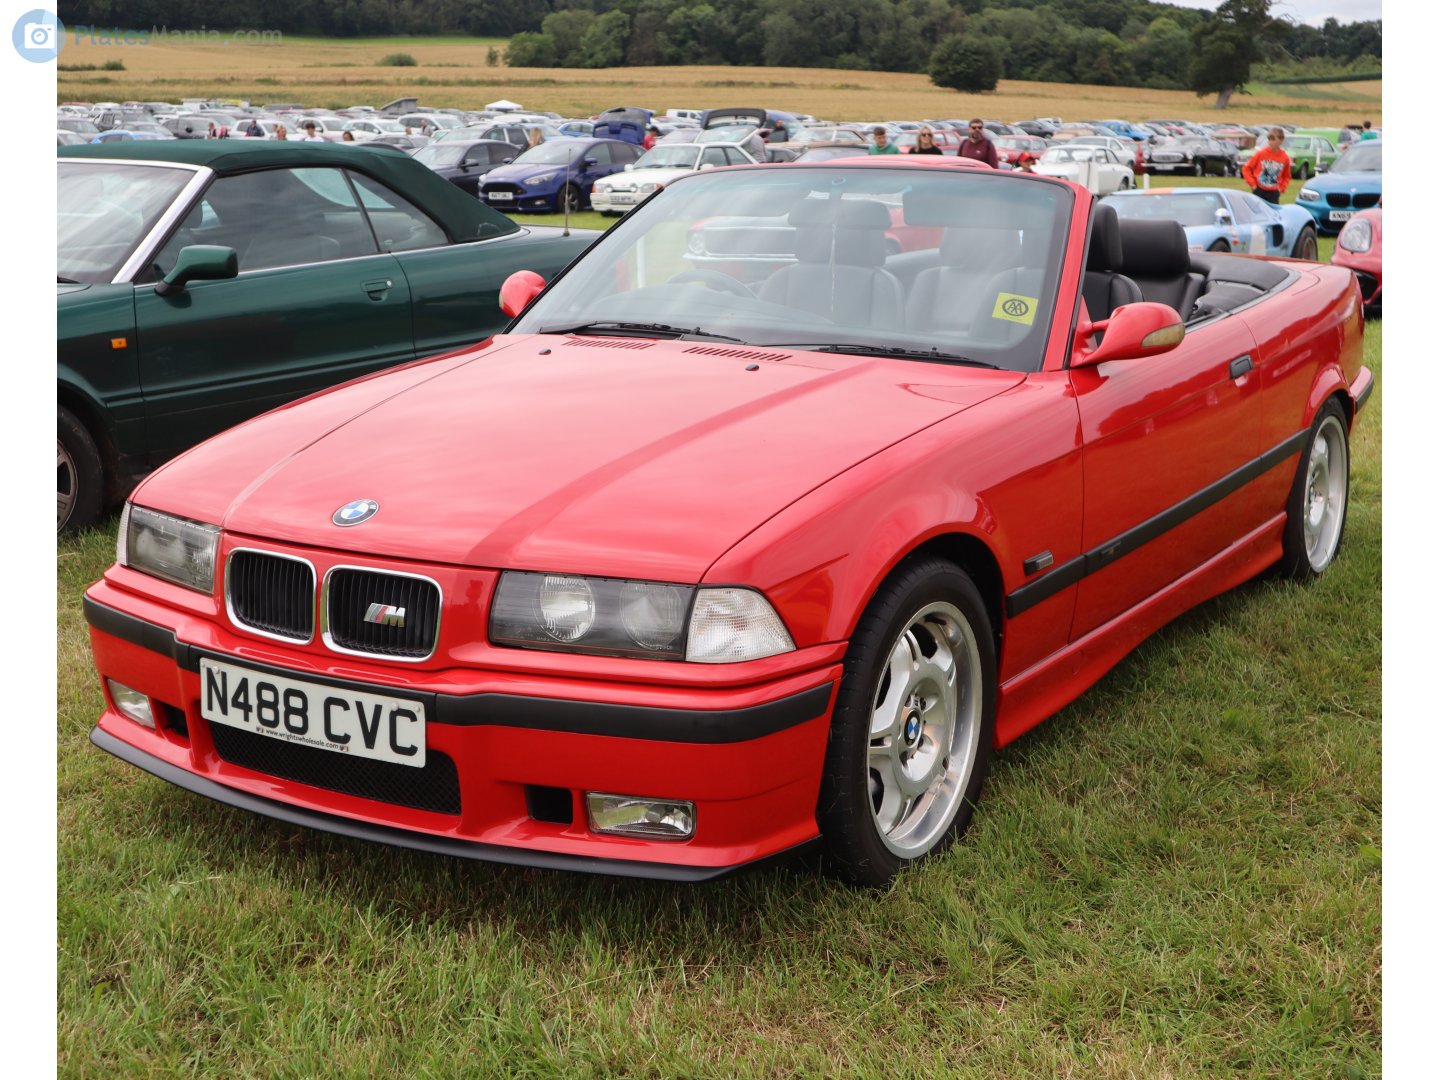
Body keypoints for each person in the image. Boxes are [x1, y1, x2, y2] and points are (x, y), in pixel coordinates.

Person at [1242, 126, 1291, 205]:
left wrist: (1281, 189)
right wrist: (1253, 185)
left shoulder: (1285, 157)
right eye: (1269, 139)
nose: (1270, 142)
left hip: (1273, 193)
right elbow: (1246, 169)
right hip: (1259, 190)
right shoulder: (1261, 154)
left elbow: (1287, 176)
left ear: (1281, 140)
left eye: (1273, 139)